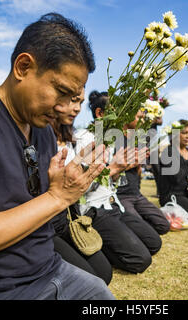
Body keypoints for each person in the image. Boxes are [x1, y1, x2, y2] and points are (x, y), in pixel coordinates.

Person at [0, 13, 115, 300]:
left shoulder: (43, 131)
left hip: (48, 269)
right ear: (23, 67)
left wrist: (67, 188)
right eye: (61, 92)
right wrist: (57, 198)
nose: (65, 108)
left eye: (74, 98)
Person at [66, 90, 164, 274]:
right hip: (95, 210)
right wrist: (113, 168)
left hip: (114, 205)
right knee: (139, 260)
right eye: (116, 111)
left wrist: (121, 169)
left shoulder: (110, 139)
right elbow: (80, 186)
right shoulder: (84, 138)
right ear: (100, 114)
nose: (122, 116)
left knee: (153, 242)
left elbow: (112, 182)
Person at [48, 87, 113, 285]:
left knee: (104, 273)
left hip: (69, 217)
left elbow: (81, 189)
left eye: (79, 103)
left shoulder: (73, 140)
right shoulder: (39, 138)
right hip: (47, 222)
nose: (76, 109)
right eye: (71, 100)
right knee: (93, 280)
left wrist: (104, 171)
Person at [115, 109, 171, 236]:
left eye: (144, 117)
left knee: (164, 225)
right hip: (121, 195)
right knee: (143, 231)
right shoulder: (115, 139)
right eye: (139, 117)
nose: (142, 120)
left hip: (136, 194)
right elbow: (111, 169)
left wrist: (138, 165)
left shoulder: (138, 139)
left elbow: (138, 169)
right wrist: (130, 164)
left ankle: (138, 225)